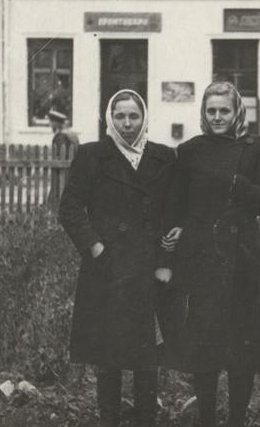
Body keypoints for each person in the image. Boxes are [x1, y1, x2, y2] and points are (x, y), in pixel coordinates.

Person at [162, 81, 260, 427]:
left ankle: (237, 420)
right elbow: (177, 205)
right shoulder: (190, 151)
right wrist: (178, 230)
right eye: (211, 111)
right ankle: (207, 420)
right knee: (205, 346)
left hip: (243, 259)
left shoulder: (259, 148)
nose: (217, 117)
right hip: (203, 258)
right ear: (203, 112)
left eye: (223, 111)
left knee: (242, 349)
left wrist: (238, 185)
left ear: (237, 112)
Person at [58, 90, 175, 427]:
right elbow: (69, 208)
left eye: (133, 116)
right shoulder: (92, 156)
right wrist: (95, 247)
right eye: (120, 116)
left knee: (146, 355)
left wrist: (166, 258)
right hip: (106, 270)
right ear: (109, 119)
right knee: (107, 355)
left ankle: (145, 421)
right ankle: (108, 419)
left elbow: (173, 212)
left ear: (144, 118)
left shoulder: (164, 158)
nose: (127, 124)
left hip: (147, 269)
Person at [48, 108, 80, 208]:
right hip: (73, 169)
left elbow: (59, 155)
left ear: (56, 123)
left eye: (51, 122)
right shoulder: (72, 134)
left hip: (62, 171)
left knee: (58, 192)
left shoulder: (60, 136)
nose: (50, 124)